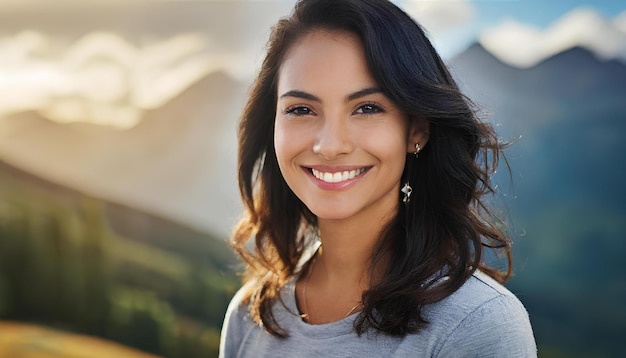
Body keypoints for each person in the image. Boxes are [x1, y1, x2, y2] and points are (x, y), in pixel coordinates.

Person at [219, 0, 536, 356]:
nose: (330, 145)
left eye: (367, 108)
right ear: (272, 126)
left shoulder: (478, 326)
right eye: (301, 109)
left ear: (417, 129)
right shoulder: (251, 316)